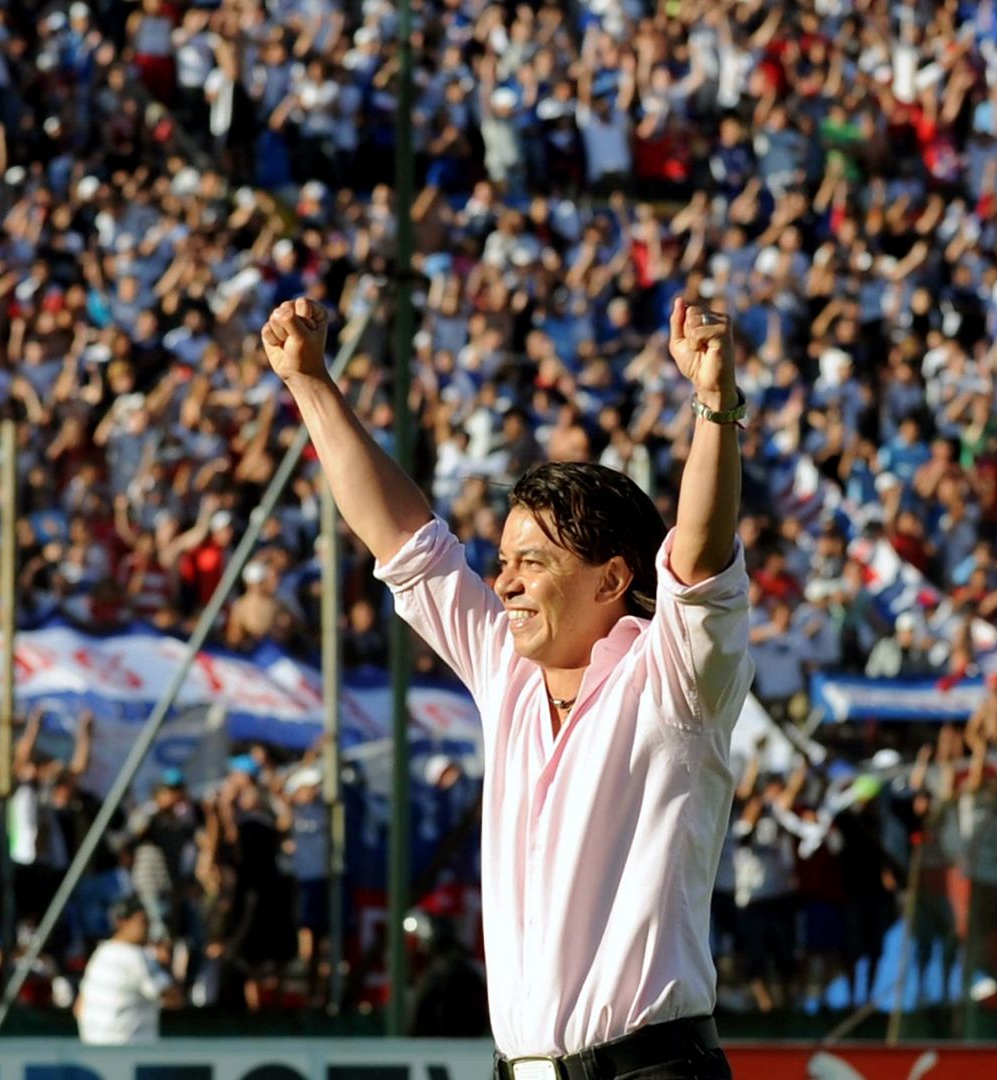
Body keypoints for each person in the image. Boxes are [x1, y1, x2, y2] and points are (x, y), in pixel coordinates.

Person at [263, 296, 748, 1077]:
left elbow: (699, 560)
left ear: (612, 579)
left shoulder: (677, 679)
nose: (506, 583)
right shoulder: (509, 672)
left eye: (533, 563)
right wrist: (309, 381)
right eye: (504, 562)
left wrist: (715, 408)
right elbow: (404, 542)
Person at [75, 895, 181, 1044]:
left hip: (93, 1049)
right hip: (129, 1051)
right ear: (122, 922)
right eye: (143, 921)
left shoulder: (101, 952)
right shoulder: (137, 957)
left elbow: (79, 1007)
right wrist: (165, 964)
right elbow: (175, 999)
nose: (148, 927)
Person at [403, 908, 490, 1038]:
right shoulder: (472, 969)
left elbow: (418, 1022)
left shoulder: (435, 975)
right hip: (470, 1043)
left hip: (438, 1044)